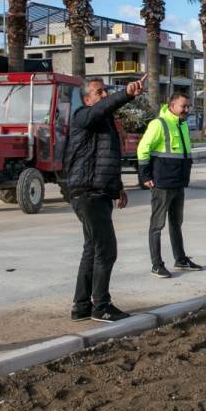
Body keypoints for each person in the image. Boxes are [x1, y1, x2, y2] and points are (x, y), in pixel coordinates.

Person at [64, 75, 145, 322]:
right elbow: (99, 110)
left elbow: (105, 158)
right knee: (106, 250)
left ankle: (81, 306)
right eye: (99, 92)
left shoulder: (104, 122)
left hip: (98, 192)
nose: (104, 96)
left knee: (92, 249)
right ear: (87, 99)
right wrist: (126, 94)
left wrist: (117, 187)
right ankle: (101, 305)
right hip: (88, 193)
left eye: (105, 91)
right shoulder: (82, 116)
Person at [137, 92, 197, 278]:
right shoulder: (159, 124)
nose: (186, 110)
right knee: (157, 225)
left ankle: (180, 259)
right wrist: (144, 175)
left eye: (188, 106)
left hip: (178, 182)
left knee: (176, 223)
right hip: (162, 183)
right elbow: (143, 149)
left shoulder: (182, 124)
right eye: (183, 106)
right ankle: (157, 264)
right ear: (172, 105)